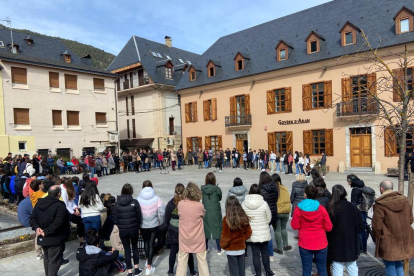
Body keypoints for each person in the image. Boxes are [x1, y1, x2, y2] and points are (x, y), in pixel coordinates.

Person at [372, 180, 414, 276]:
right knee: (398, 263)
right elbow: (410, 219)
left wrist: (377, 236)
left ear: (381, 188)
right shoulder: (405, 200)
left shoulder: (380, 204)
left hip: (388, 240)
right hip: (403, 239)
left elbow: (376, 226)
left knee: (390, 265)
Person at [291, 185, 333, 276]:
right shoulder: (321, 209)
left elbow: (294, 226)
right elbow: (329, 227)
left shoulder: (298, 209)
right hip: (321, 242)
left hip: (305, 242)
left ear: (305, 194)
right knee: (322, 269)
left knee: (306, 270)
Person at [30, 185, 70, 276]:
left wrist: (37, 228)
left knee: (47, 259)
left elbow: (32, 219)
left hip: (43, 236)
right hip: (54, 237)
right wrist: (45, 231)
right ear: (59, 194)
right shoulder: (59, 205)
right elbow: (58, 223)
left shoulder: (39, 203)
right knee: (54, 261)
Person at [327, 185, 363, 276]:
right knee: (352, 264)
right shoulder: (352, 206)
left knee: (337, 265)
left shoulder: (330, 207)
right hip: (350, 240)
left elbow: (326, 226)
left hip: (335, 240)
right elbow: (360, 224)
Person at [176, 182, 210, 276]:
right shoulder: (199, 205)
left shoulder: (180, 204)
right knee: (202, 261)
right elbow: (203, 214)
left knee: (181, 262)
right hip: (198, 238)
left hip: (184, 237)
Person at [165, 183, 198, 276]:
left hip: (173, 228)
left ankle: (170, 271)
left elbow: (166, 217)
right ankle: (192, 271)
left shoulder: (171, 203)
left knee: (173, 250)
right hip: (184, 229)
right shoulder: (186, 203)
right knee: (188, 251)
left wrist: (169, 227)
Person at [242, 184, 273, 276]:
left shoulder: (244, 204)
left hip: (252, 232)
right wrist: (264, 224)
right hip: (263, 231)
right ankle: (268, 271)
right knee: (265, 252)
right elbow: (269, 217)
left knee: (255, 254)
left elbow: (243, 219)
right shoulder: (264, 203)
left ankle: (258, 273)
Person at [113, 183, 143, 276]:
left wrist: (121, 225)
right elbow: (139, 216)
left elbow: (115, 218)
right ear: (131, 191)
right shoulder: (135, 202)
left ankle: (130, 271)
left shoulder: (117, 204)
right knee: (134, 247)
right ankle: (137, 268)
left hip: (123, 230)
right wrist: (138, 226)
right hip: (134, 229)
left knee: (127, 249)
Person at [137, 180, 165, 275]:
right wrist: (160, 220)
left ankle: (147, 261)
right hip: (154, 224)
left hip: (143, 224)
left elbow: (136, 212)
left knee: (146, 242)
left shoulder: (138, 199)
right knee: (151, 243)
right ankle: (149, 265)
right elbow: (162, 211)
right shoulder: (157, 198)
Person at [220, 196, 252, 276]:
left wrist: (222, 245)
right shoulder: (243, 218)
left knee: (234, 270)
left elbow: (226, 237)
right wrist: (242, 239)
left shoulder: (226, 219)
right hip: (241, 248)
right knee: (241, 270)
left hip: (231, 249)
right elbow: (249, 232)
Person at [201, 172, 223, 255]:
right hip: (215, 211)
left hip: (205, 211)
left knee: (205, 227)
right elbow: (220, 198)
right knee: (217, 228)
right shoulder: (217, 189)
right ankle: (219, 249)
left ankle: (205, 247)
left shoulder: (202, 189)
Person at [258, 172, 278, 259]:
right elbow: (276, 199)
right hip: (273, 211)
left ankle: (266, 252)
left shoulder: (261, 189)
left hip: (265, 213)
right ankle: (271, 255)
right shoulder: (275, 187)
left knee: (265, 233)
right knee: (268, 233)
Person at [347, 174, 368, 254]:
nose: (348, 183)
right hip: (364, 210)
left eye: (348, 182)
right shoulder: (362, 186)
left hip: (358, 212)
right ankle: (364, 248)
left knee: (359, 230)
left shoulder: (355, 190)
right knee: (363, 230)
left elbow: (354, 203)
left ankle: (360, 248)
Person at [271, 174, 292, 254]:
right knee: (283, 228)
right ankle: (286, 245)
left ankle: (279, 248)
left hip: (277, 211)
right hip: (286, 211)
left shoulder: (273, 189)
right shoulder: (284, 188)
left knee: (277, 230)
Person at [61, 180, 85, 245]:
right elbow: (65, 205)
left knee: (82, 220)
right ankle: (80, 236)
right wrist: (74, 213)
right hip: (68, 211)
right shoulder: (63, 192)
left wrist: (76, 208)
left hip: (72, 209)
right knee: (80, 221)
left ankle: (81, 237)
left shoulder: (69, 191)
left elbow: (72, 202)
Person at [290, 173, 308, 239]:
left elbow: (292, 196)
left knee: (298, 220)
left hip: (296, 204)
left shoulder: (294, 185)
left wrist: (292, 202)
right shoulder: (307, 185)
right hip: (305, 203)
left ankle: (299, 234)